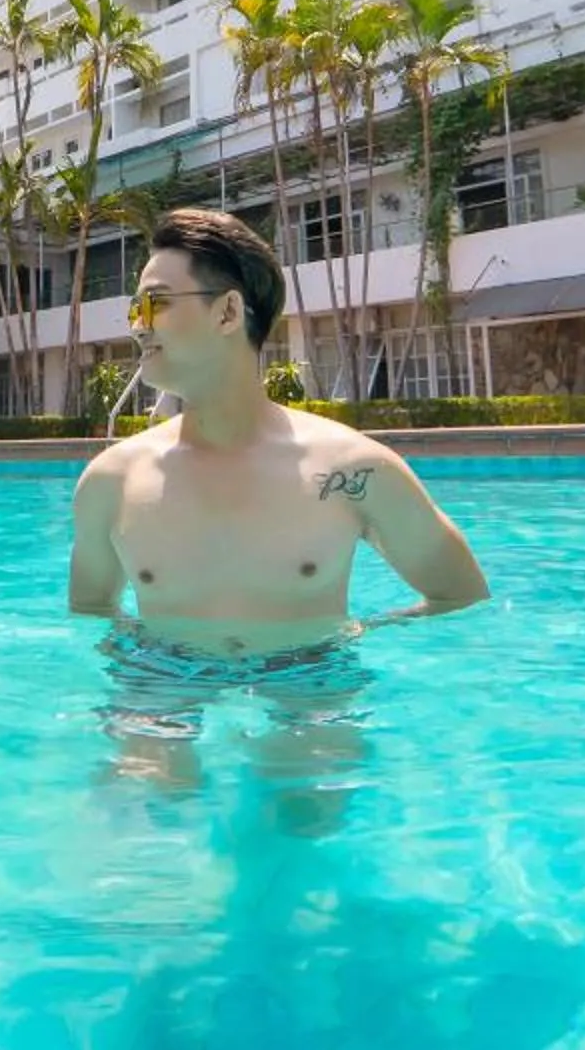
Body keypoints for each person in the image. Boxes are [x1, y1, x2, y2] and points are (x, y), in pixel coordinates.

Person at [69, 208, 487, 776]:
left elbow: (458, 595)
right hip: (161, 678)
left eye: (155, 303)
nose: (137, 324)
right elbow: (92, 611)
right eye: (134, 308)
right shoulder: (111, 481)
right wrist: (145, 665)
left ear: (229, 312)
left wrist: (347, 644)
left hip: (311, 678)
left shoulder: (354, 469)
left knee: (304, 821)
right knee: (140, 825)